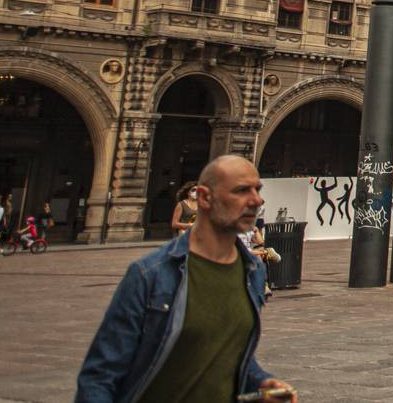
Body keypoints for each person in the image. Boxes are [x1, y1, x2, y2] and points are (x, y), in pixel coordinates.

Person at [75, 154, 298, 403]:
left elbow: (224, 349)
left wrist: (259, 381)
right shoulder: (151, 274)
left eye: (257, 190)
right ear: (204, 197)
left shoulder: (253, 272)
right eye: (241, 191)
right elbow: (100, 377)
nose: (257, 200)